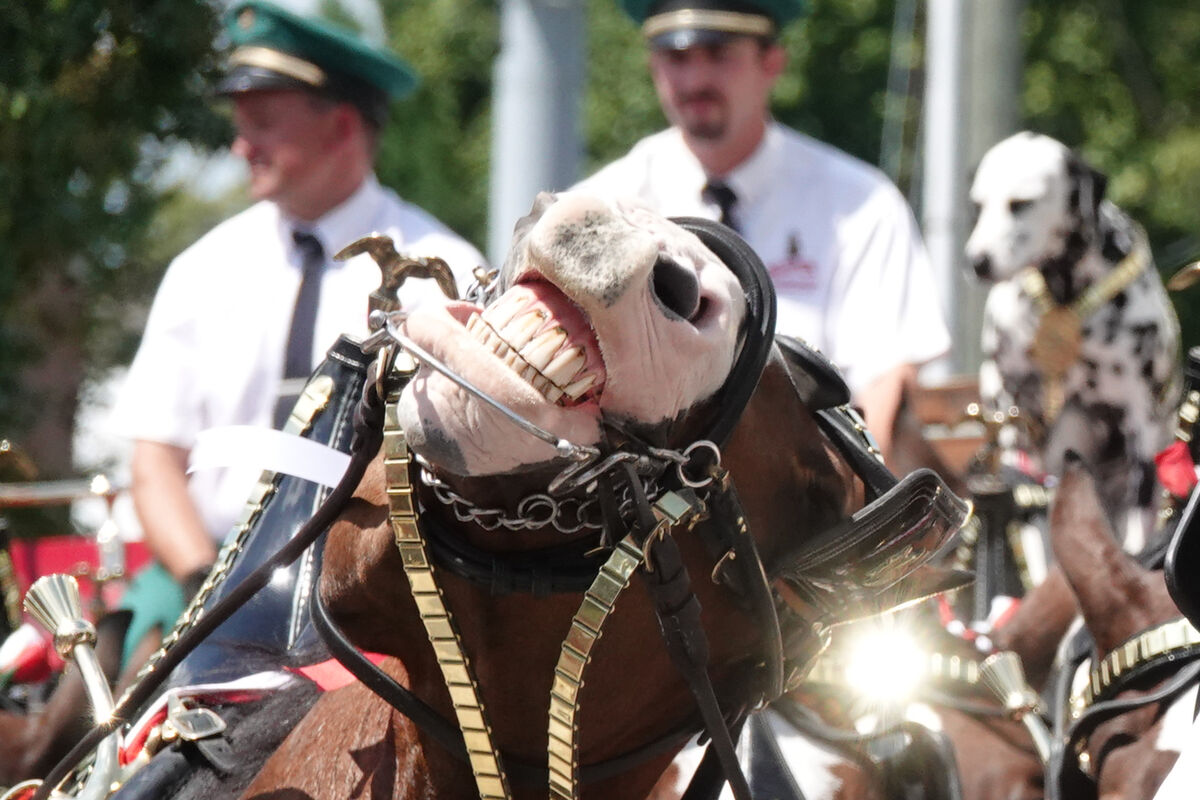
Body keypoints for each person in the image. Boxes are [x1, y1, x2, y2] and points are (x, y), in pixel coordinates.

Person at [109, 0, 485, 659]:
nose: (240, 146)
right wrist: (206, 588)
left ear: (341, 126)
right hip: (202, 579)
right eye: (240, 124)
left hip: (373, 594)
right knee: (89, 703)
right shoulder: (201, 270)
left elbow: (468, 472)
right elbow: (154, 462)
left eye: (262, 124)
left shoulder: (443, 273)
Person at [575, 0, 950, 461]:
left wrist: (854, 498)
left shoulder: (860, 204)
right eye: (676, 57)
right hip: (644, 489)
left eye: (719, 54)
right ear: (653, 65)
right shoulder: (601, 212)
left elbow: (884, 383)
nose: (695, 80)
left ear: (772, 62)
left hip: (817, 481)